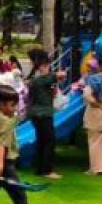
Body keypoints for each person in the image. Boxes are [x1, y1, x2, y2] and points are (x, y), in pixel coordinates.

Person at [25, 50, 63, 180]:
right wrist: (57, 76)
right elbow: (54, 76)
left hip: (36, 113)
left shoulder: (35, 79)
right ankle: (47, 169)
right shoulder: (40, 79)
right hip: (43, 113)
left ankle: (40, 168)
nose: (48, 68)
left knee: (41, 140)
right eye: (47, 65)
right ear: (42, 65)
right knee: (49, 140)